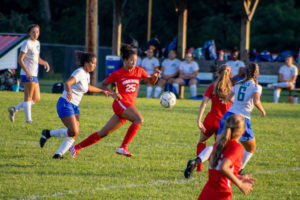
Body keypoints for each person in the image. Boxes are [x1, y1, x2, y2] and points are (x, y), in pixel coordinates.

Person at [69, 45, 161, 158]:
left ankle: (76, 147)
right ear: (125, 60)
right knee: (139, 119)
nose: (133, 63)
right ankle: (123, 147)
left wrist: (155, 76)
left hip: (128, 107)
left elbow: (151, 82)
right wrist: (112, 93)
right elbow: (103, 84)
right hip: (120, 103)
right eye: (131, 60)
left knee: (103, 133)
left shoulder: (140, 71)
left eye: (135, 61)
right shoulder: (118, 73)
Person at [185, 63, 266, 176]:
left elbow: (229, 98)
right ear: (258, 74)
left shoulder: (238, 84)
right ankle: (238, 171)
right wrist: (262, 110)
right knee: (251, 148)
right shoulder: (256, 86)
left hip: (227, 115)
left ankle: (196, 161)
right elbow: (256, 101)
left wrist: (238, 103)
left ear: (246, 72)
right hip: (241, 119)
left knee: (218, 145)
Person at [39, 51, 114, 159]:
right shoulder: (79, 72)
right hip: (66, 103)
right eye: (93, 63)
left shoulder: (87, 74)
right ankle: (48, 134)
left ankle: (57, 154)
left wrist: (102, 91)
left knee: (74, 133)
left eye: (95, 63)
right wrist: (69, 91)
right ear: (86, 63)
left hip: (74, 106)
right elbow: (67, 83)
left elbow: (88, 87)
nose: (94, 66)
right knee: (73, 131)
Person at [184, 65, 232, 178]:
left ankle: (199, 167)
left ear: (218, 73)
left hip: (210, 121)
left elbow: (204, 103)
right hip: (224, 123)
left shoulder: (212, 87)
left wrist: (199, 120)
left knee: (202, 141)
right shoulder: (232, 89)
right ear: (230, 75)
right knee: (219, 147)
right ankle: (215, 167)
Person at [198, 114, 256, 200]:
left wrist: (238, 177)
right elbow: (223, 167)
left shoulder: (218, 145)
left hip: (206, 193)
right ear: (243, 131)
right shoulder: (237, 148)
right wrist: (240, 185)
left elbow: (217, 170)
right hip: (222, 194)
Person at [8, 24, 50, 123]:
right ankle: (28, 120)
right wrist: (27, 72)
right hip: (28, 74)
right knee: (28, 97)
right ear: (29, 33)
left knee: (36, 98)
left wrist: (45, 63)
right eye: (33, 32)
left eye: (37, 32)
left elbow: (37, 58)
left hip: (34, 74)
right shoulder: (26, 43)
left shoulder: (37, 43)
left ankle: (14, 109)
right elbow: (20, 59)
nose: (36, 34)